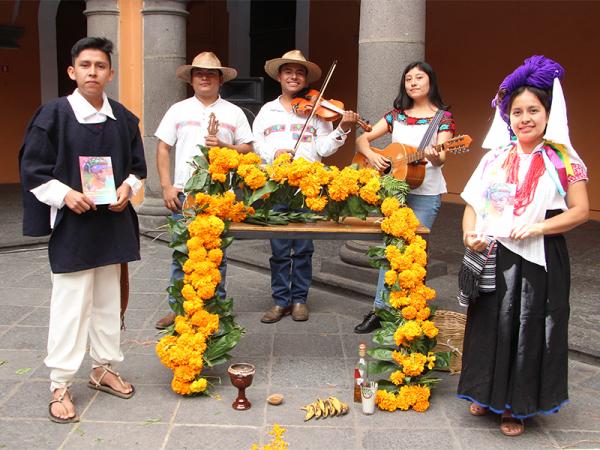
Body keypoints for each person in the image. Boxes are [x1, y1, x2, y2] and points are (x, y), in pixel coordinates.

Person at [457, 56, 589, 436]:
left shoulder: (564, 160)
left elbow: (580, 211)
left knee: (528, 327)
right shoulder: (495, 159)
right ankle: (483, 393)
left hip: (540, 259)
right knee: (487, 324)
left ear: (548, 114)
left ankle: (516, 406)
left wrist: (538, 227)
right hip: (495, 255)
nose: (525, 118)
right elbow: (473, 207)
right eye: (517, 111)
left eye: (533, 110)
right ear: (507, 117)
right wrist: (469, 234)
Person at [19, 37, 146, 423]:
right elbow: (33, 169)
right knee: (71, 305)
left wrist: (127, 188)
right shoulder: (53, 115)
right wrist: (65, 194)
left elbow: (137, 169)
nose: (93, 72)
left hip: (111, 223)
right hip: (74, 225)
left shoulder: (122, 118)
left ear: (110, 72)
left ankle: (103, 367)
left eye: (101, 66)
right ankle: (60, 381)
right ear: (72, 72)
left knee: (108, 300)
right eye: (86, 65)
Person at [253, 50, 359, 323]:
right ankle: (279, 300)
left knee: (303, 247)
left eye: (300, 73)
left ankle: (299, 299)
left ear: (305, 79)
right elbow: (256, 144)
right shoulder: (267, 110)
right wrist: (273, 155)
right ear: (279, 76)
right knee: (278, 248)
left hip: (308, 187)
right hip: (275, 184)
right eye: (288, 71)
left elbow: (324, 148)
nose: (294, 76)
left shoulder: (317, 112)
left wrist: (342, 129)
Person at [353, 61, 455, 333]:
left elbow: (442, 156)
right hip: (394, 193)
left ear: (430, 82)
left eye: (419, 77)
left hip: (426, 193)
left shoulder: (442, 118)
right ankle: (380, 309)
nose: (412, 82)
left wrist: (436, 155)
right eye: (408, 78)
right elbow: (363, 140)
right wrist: (374, 155)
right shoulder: (395, 115)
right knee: (391, 253)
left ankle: (409, 313)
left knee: (414, 254)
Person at [154, 52, 253, 329]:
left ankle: (215, 307)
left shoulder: (234, 112)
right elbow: (163, 147)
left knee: (217, 255)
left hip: (220, 196)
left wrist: (225, 146)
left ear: (220, 79)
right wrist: (166, 186)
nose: (205, 77)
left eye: (211, 73)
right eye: (199, 73)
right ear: (192, 79)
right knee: (182, 253)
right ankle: (179, 308)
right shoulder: (178, 109)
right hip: (185, 193)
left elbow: (248, 149)